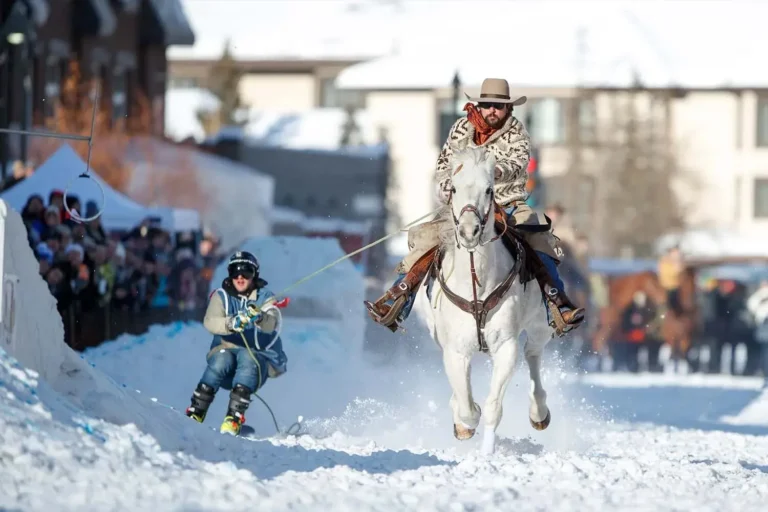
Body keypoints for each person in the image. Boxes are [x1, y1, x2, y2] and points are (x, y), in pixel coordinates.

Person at [364, 77, 585, 336]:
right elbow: (444, 164)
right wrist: (447, 185)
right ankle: (397, 298)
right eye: (488, 104)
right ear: (479, 106)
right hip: (465, 206)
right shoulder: (460, 129)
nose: (493, 110)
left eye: (499, 106)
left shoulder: (517, 133)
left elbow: (518, 164)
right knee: (427, 241)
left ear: (508, 109)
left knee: (539, 244)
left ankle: (557, 305)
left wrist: (492, 172)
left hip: (507, 203)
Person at [185, 251, 287, 435]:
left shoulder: (265, 297)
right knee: (221, 360)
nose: (240, 277)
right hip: (227, 357)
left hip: (256, 365)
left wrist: (260, 318)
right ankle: (196, 412)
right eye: (235, 272)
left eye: (246, 272)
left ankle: (234, 417)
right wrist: (231, 323)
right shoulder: (221, 296)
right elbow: (210, 321)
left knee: (248, 358)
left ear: (254, 274)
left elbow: (272, 323)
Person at [657, 245, 684, 316]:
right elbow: (668, 275)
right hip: (669, 288)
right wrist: (677, 269)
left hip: (676, 287)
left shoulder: (676, 262)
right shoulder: (665, 262)